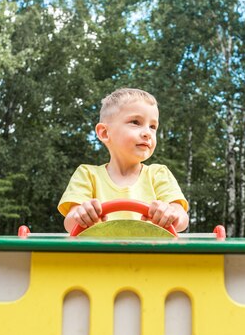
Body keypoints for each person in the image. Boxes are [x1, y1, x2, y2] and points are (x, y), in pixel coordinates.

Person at [58, 88, 189, 233]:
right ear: (105, 133)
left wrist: (171, 214)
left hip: (151, 254)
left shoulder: (159, 174)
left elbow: (182, 218)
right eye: (135, 122)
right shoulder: (87, 175)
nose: (147, 133)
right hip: (98, 255)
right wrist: (82, 215)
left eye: (153, 127)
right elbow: (70, 222)